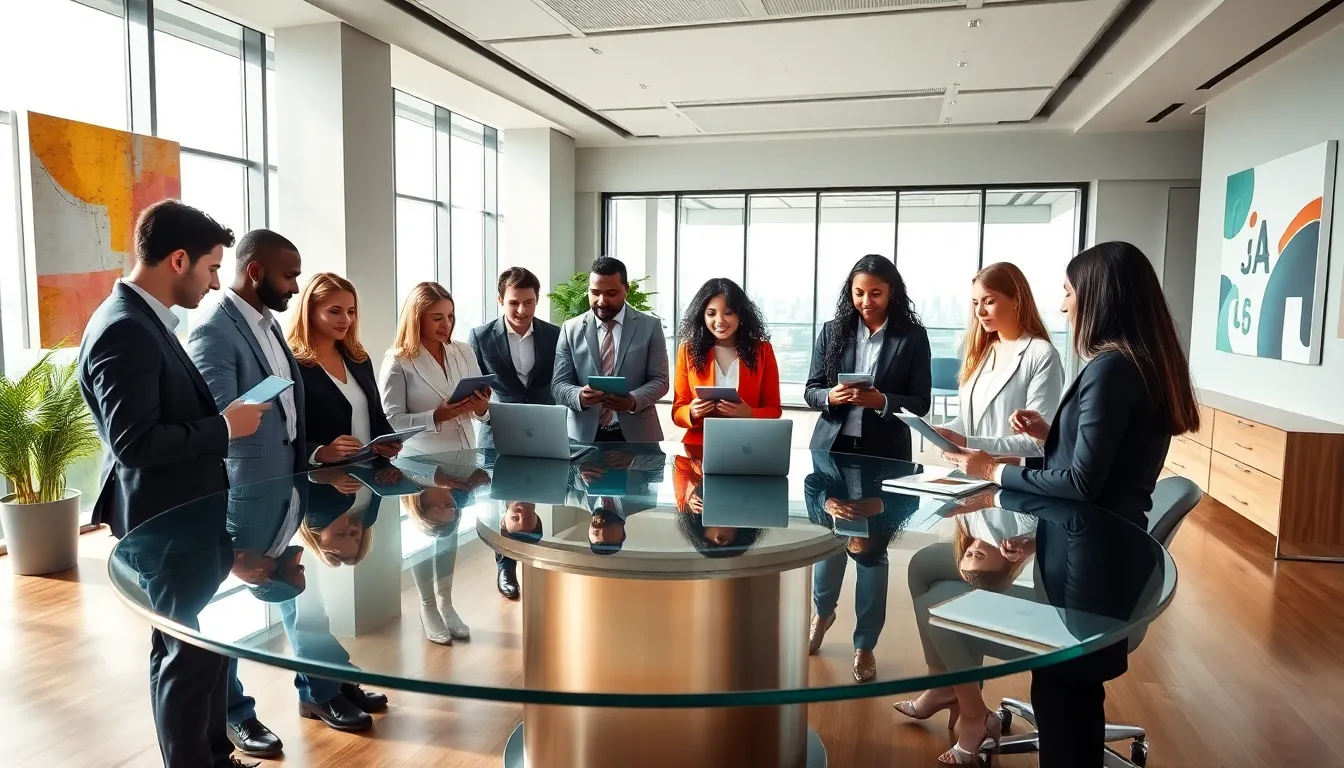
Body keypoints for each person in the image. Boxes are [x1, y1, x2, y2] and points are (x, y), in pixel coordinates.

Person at [941, 241, 1201, 767]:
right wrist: (1053, 433)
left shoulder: (1109, 370)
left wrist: (993, 470)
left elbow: (1082, 483)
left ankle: (966, 705)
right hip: (1108, 558)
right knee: (1074, 699)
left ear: (1099, 298)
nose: (1063, 306)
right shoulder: (1142, 365)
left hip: (1087, 565)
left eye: (1068, 293)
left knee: (1061, 695)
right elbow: (1104, 465)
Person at [77, 199, 267, 768]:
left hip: (190, 513)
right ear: (178, 260)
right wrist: (224, 427)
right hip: (167, 519)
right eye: (211, 268)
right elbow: (134, 443)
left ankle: (215, 756)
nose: (214, 283)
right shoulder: (124, 329)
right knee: (185, 657)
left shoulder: (142, 320)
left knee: (200, 653)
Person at [186, 229, 310, 756]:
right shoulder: (215, 328)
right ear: (255, 271)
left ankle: (320, 687)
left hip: (284, 488)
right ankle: (235, 715)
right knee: (225, 617)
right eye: (289, 275)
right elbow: (214, 420)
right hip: (243, 495)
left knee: (297, 601)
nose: (296, 285)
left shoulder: (268, 325)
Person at [466, 266, 560, 599]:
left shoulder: (554, 334)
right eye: (514, 303)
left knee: (533, 500)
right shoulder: (479, 337)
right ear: (500, 300)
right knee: (501, 504)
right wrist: (479, 410)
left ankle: (532, 558)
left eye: (529, 302)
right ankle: (505, 566)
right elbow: (474, 388)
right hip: (497, 432)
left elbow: (561, 383)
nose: (522, 310)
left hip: (543, 430)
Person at [804, 254, 931, 460]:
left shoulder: (913, 337)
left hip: (887, 451)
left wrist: (882, 401)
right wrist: (830, 397)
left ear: (891, 291)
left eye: (875, 293)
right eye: (859, 293)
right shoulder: (831, 331)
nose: (866, 302)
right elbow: (811, 391)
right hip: (831, 446)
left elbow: (921, 403)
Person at [932, 262, 1065, 458]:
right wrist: (942, 433)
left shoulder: (1041, 354)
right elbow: (967, 420)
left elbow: (1037, 442)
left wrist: (969, 443)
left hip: (1011, 477)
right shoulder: (979, 352)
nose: (980, 312)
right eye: (976, 303)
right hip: (968, 473)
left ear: (1016, 300)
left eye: (989, 301)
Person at [803, 452, 916, 683]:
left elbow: (910, 486)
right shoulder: (832, 419)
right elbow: (813, 480)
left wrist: (884, 503)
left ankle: (865, 646)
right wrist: (826, 501)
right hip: (836, 490)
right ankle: (823, 614)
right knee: (829, 549)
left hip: (875, 494)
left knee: (871, 560)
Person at [288, 272, 402, 465]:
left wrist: (389, 441)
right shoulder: (291, 365)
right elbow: (283, 433)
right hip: (326, 481)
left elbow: (376, 416)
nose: (346, 320)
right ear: (310, 311)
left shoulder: (359, 358)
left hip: (372, 478)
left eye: (351, 311)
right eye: (335, 311)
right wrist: (320, 452)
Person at [552, 257, 669, 443]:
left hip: (637, 435)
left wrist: (633, 400)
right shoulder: (570, 328)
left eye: (611, 293)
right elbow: (559, 384)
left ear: (626, 290)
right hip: (582, 437)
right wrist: (579, 396)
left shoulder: (650, 327)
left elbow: (661, 380)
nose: (602, 301)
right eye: (595, 292)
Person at [380, 282, 492, 456]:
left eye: (450, 316)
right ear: (417, 319)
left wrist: (481, 407)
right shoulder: (398, 361)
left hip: (467, 455)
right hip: (420, 462)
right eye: (437, 318)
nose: (447, 324)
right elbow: (392, 422)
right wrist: (435, 417)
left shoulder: (464, 351)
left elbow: (480, 415)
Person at [671, 277, 781, 444]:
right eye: (711, 313)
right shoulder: (687, 351)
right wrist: (692, 411)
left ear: (741, 314)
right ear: (702, 316)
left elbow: (774, 410)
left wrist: (749, 413)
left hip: (749, 445)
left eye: (728, 312)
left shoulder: (762, 350)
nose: (720, 321)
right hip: (699, 447)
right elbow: (678, 412)